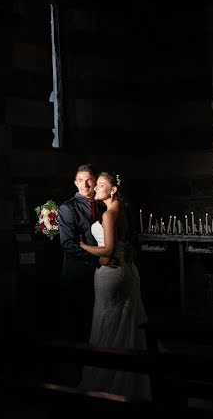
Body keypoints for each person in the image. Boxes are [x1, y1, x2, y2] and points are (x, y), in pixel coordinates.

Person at [77, 171, 151, 399]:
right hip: (125, 272)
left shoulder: (110, 214)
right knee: (121, 322)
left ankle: (106, 381)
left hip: (112, 275)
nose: (96, 188)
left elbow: (108, 250)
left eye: (100, 185)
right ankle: (126, 378)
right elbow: (121, 244)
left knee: (107, 323)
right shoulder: (121, 211)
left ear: (113, 189)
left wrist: (82, 247)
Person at [58, 164, 109, 345]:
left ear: (95, 182)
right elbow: (68, 244)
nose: (84, 184)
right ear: (75, 183)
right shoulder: (67, 208)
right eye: (80, 180)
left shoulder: (103, 205)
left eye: (88, 180)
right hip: (78, 273)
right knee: (79, 325)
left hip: (102, 273)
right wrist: (97, 259)